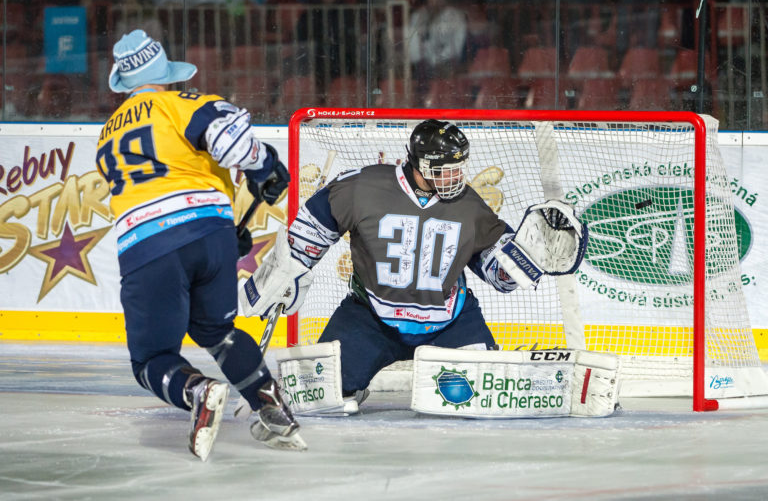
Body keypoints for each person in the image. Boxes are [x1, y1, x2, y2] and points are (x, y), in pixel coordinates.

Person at [240, 119, 587, 412]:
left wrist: (524, 262)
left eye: (458, 168)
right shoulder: (363, 186)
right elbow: (310, 231)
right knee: (320, 399)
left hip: (449, 323)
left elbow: (494, 271)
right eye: (444, 170)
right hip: (370, 318)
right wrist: (288, 270)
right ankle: (354, 380)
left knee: (481, 399)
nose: (455, 177)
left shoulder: (469, 203)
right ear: (419, 164)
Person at [95, 29, 305, 459]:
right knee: (217, 331)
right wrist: (265, 166)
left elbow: (157, 194)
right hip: (210, 234)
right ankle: (271, 407)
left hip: (147, 244)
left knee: (151, 357)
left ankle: (198, 391)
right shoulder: (182, 103)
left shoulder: (106, 137)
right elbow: (231, 143)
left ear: (124, 84)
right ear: (167, 75)